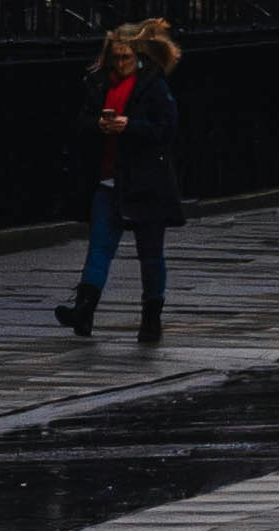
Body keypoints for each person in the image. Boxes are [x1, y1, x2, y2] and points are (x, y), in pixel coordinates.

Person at [55, 17, 184, 344]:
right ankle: (83, 311)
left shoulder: (153, 85)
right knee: (99, 247)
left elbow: (166, 129)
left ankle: (151, 318)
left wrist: (131, 126)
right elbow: (80, 123)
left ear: (139, 56)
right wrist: (99, 124)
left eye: (127, 57)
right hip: (110, 180)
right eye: (116, 57)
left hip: (146, 183)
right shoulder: (100, 84)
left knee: (151, 254)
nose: (121, 63)